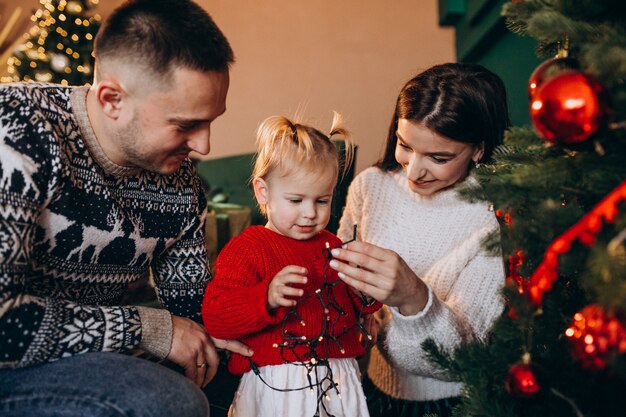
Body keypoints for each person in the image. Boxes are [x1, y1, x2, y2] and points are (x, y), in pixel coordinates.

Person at [0, 1, 252, 416]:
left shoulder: (182, 184)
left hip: (83, 356)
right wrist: (146, 327)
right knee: (167, 401)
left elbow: (194, 316)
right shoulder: (18, 132)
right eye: (186, 125)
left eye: (211, 121)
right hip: (12, 358)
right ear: (112, 99)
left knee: (230, 364)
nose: (204, 146)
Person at [328, 63, 510, 417]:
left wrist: (413, 298)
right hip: (372, 387)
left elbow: (465, 358)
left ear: (477, 149)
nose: (413, 171)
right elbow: (342, 276)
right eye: (405, 145)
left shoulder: (492, 215)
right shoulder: (371, 185)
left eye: (438, 158)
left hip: (457, 404)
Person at [202, 114, 382, 417]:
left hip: (339, 381)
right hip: (276, 385)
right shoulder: (247, 248)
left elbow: (354, 306)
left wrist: (365, 296)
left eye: (322, 201)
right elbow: (217, 316)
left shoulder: (333, 246)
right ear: (264, 192)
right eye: (296, 200)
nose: (310, 213)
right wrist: (267, 297)